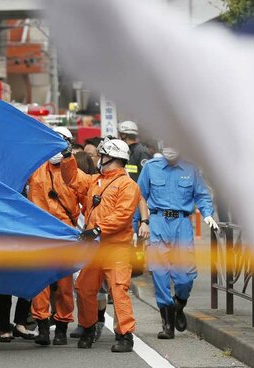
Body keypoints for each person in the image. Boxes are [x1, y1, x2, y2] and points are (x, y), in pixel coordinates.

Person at [61, 137, 140, 352]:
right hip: (95, 247)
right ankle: (87, 328)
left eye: (102, 155)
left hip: (116, 248)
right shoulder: (95, 180)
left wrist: (97, 229)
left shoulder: (128, 185)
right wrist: (67, 157)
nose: (99, 158)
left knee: (118, 290)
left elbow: (122, 215)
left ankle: (125, 335)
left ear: (110, 158)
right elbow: (72, 178)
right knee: (84, 288)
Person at [137, 146, 217, 339]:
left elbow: (202, 196)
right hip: (157, 221)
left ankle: (179, 303)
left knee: (185, 276)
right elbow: (138, 196)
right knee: (159, 272)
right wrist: (138, 225)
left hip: (182, 223)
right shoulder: (151, 168)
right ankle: (167, 324)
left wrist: (207, 214)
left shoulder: (191, 169)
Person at [27, 127, 81, 346]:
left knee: (65, 284)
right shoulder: (35, 169)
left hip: (65, 232)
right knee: (40, 282)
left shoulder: (75, 174)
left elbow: (90, 198)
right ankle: (42, 326)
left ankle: (61, 326)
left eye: (63, 143)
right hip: (40, 231)